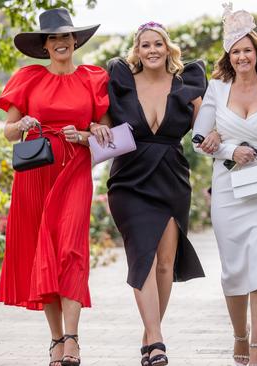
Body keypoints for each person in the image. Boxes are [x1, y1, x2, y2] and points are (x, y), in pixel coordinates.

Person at [0, 8, 110, 366]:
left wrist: (87, 133)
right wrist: (24, 122)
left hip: (74, 167)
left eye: (65, 36)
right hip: (36, 172)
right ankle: (56, 339)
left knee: (71, 248)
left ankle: (73, 339)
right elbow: (8, 131)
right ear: (44, 45)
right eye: (53, 37)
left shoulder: (94, 77)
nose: (60, 42)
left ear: (75, 41)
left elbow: (105, 132)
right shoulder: (28, 78)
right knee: (42, 250)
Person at [192, 4, 257, 365]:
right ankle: (240, 335)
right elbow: (199, 137)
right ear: (228, 57)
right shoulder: (217, 90)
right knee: (234, 267)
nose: (241, 57)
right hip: (229, 188)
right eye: (235, 52)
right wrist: (232, 149)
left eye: (247, 50)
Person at [103, 21, 206, 366]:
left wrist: (218, 137)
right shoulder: (120, 80)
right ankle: (158, 341)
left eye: (157, 44)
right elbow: (102, 120)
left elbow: (206, 127)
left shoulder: (186, 83)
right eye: (145, 45)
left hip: (172, 178)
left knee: (164, 264)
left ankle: (150, 335)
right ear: (137, 50)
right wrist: (94, 129)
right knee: (142, 258)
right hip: (129, 180)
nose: (151, 50)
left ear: (167, 48)